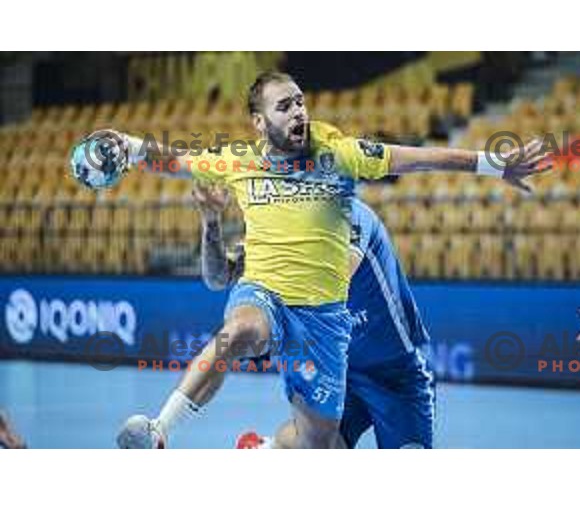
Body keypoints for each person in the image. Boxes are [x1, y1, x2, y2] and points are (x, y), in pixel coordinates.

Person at [104, 71, 549, 449]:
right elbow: (175, 160)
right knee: (240, 329)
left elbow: (419, 158)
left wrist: (493, 165)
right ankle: (159, 430)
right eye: (285, 106)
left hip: (341, 336)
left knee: (318, 444)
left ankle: (261, 451)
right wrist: (131, 146)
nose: (299, 111)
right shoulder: (237, 163)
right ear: (259, 122)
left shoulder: (339, 158)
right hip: (268, 297)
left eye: (300, 102)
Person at [193, 182, 435, 449]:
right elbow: (218, 278)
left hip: (394, 373)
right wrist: (211, 221)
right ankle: (268, 446)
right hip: (336, 368)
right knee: (317, 447)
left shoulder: (352, 216)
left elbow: (336, 278)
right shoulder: (276, 236)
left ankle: (267, 447)